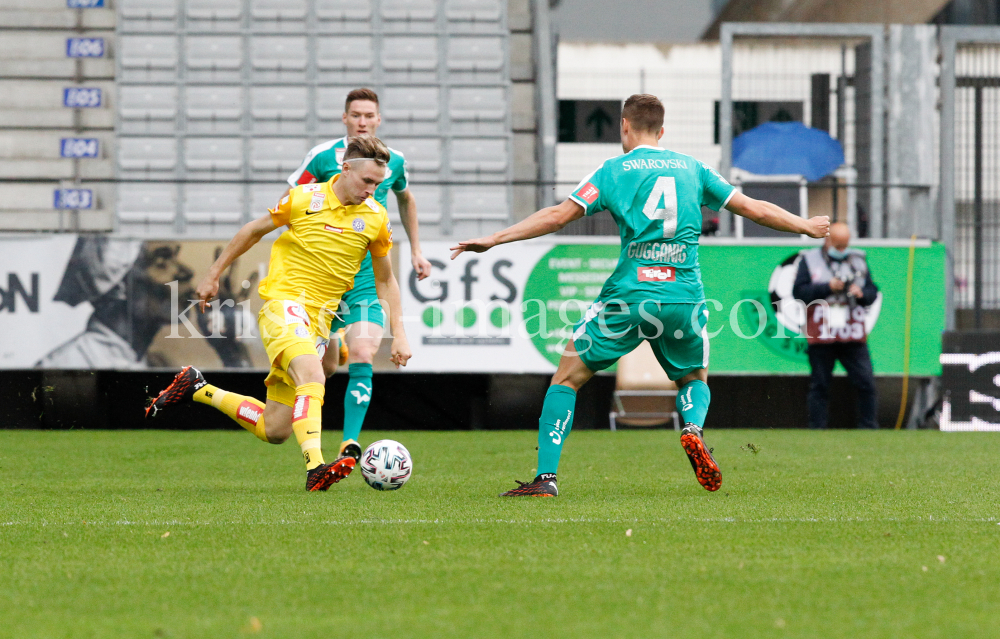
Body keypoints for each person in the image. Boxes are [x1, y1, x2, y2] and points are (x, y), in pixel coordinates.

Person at [451, 94, 830, 497]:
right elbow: (753, 208)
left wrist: (495, 238)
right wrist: (804, 226)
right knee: (693, 377)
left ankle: (546, 479)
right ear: (662, 131)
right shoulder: (692, 168)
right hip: (683, 294)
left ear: (625, 126)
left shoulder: (613, 170)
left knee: (566, 378)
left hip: (629, 295)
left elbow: (559, 215)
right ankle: (691, 428)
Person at [146, 135, 412, 491]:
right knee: (314, 377)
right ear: (346, 169)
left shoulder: (376, 218)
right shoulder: (305, 198)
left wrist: (401, 332)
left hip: (319, 322)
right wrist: (213, 275)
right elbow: (253, 230)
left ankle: (197, 387)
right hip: (283, 306)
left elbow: (386, 280)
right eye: (367, 181)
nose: (372, 190)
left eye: (379, 184)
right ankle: (316, 467)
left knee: (274, 430)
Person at [284, 87, 432, 467]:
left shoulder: (392, 161)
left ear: (378, 119)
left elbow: (406, 198)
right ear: (345, 119)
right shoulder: (322, 157)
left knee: (366, 351)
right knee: (327, 368)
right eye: (356, 115)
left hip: (366, 274)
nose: (362, 121)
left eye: (369, 115)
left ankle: (349, 443)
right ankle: (332, 342)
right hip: (323, 277)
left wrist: (416, 249)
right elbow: (293, 202)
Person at [37, 239, 193, 369]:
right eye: (161, 261)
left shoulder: (160, 365)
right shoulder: (65, 368)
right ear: (119, 286)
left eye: (175, 257)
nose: (187, 271)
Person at [792, 222, 880, 429]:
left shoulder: (858, 259)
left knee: (866, 383)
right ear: (827, 240)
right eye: (838, 246)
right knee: (819, 385)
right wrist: (827, 287)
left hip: (852, 332)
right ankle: (817, 428)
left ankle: (869, 427)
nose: (842, 251)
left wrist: (861, 294)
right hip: (821, 334)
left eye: (845, 246)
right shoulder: (809, 260)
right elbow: (799, 293)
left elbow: (873, 292)